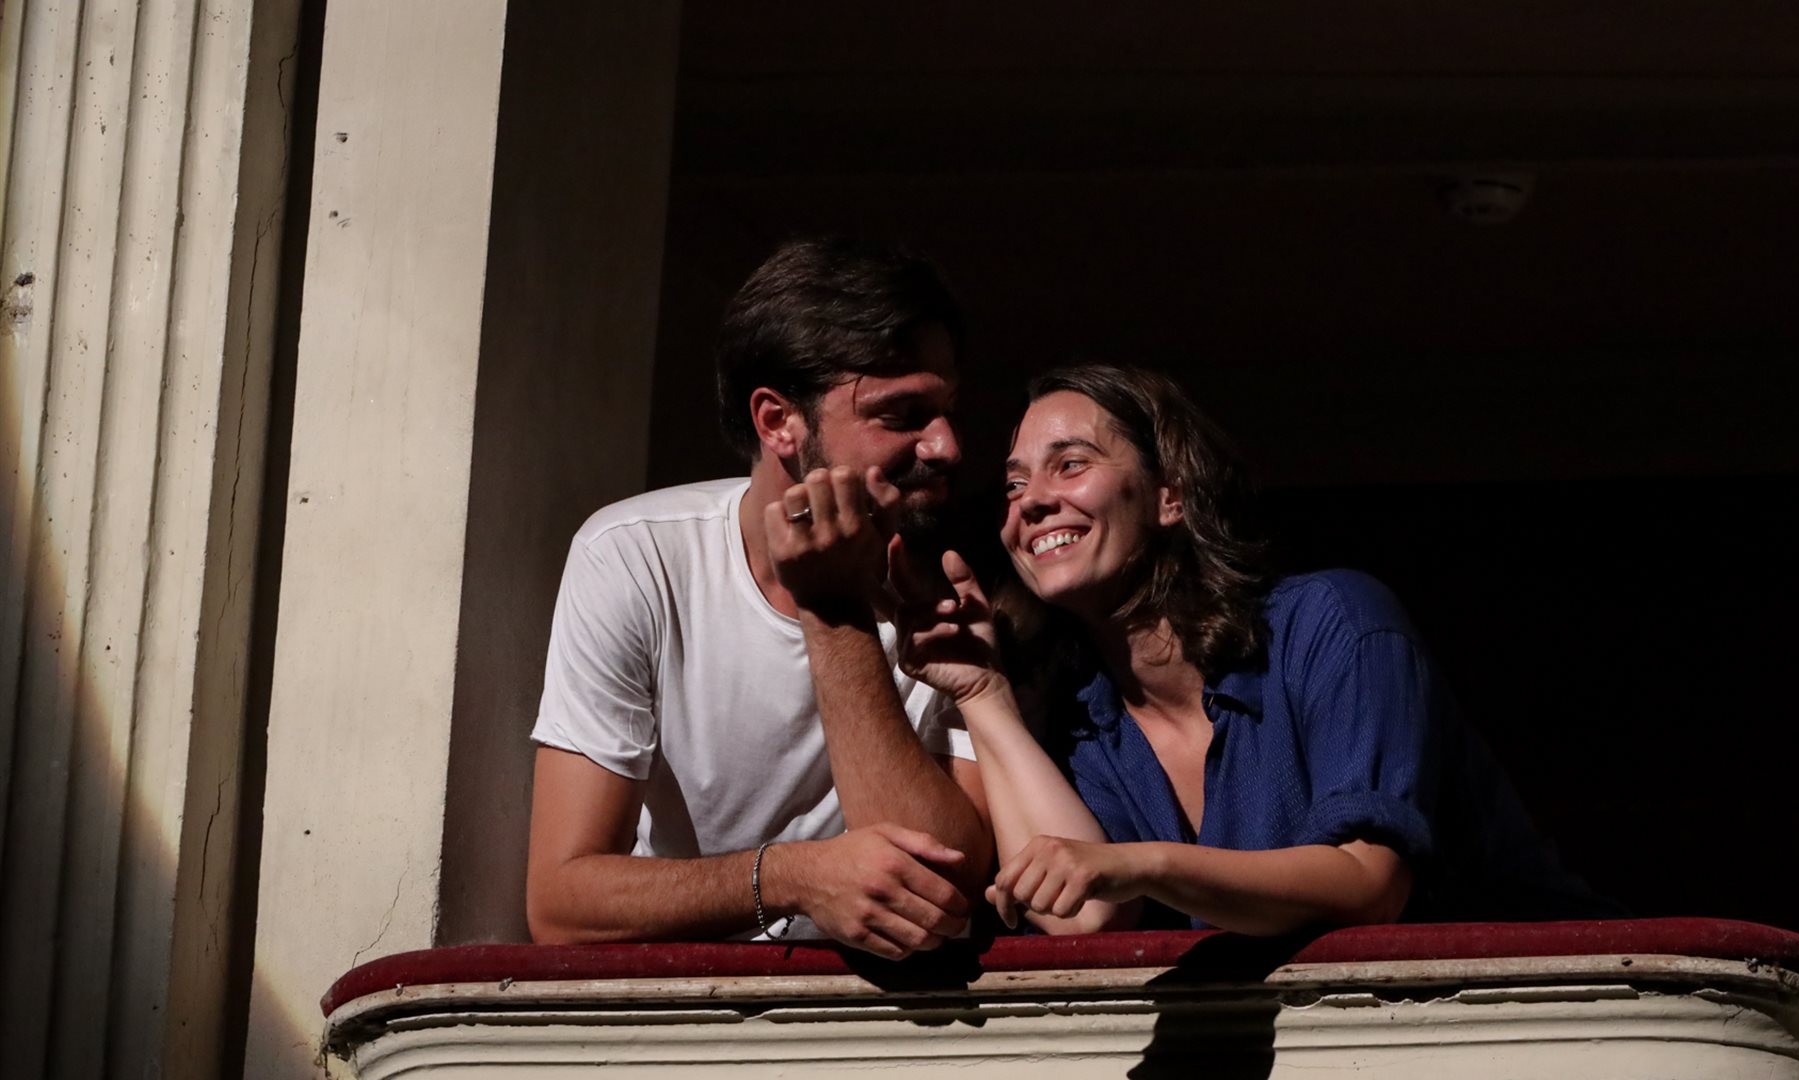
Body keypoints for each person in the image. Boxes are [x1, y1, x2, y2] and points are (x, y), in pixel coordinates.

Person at [896, 364, 1602, 935]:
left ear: (1170, 496)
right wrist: (983, 694)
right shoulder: (1086, 716)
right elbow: (1084, 915)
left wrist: (1144, 864)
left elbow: (1368, 885)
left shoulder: (1332, 623)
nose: (1030, 502)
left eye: (1070, 464)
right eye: (1015, 484)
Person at [525, 238, 992, 959]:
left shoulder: (951, 582)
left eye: (947, 410)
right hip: (684, 1011)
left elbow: (942, 893)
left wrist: (833, 614)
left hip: (886, 1014)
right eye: (903, 414)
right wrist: (792, 877)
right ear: (778, 422)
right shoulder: (636, 555)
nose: (947, 446)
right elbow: (562, 901)